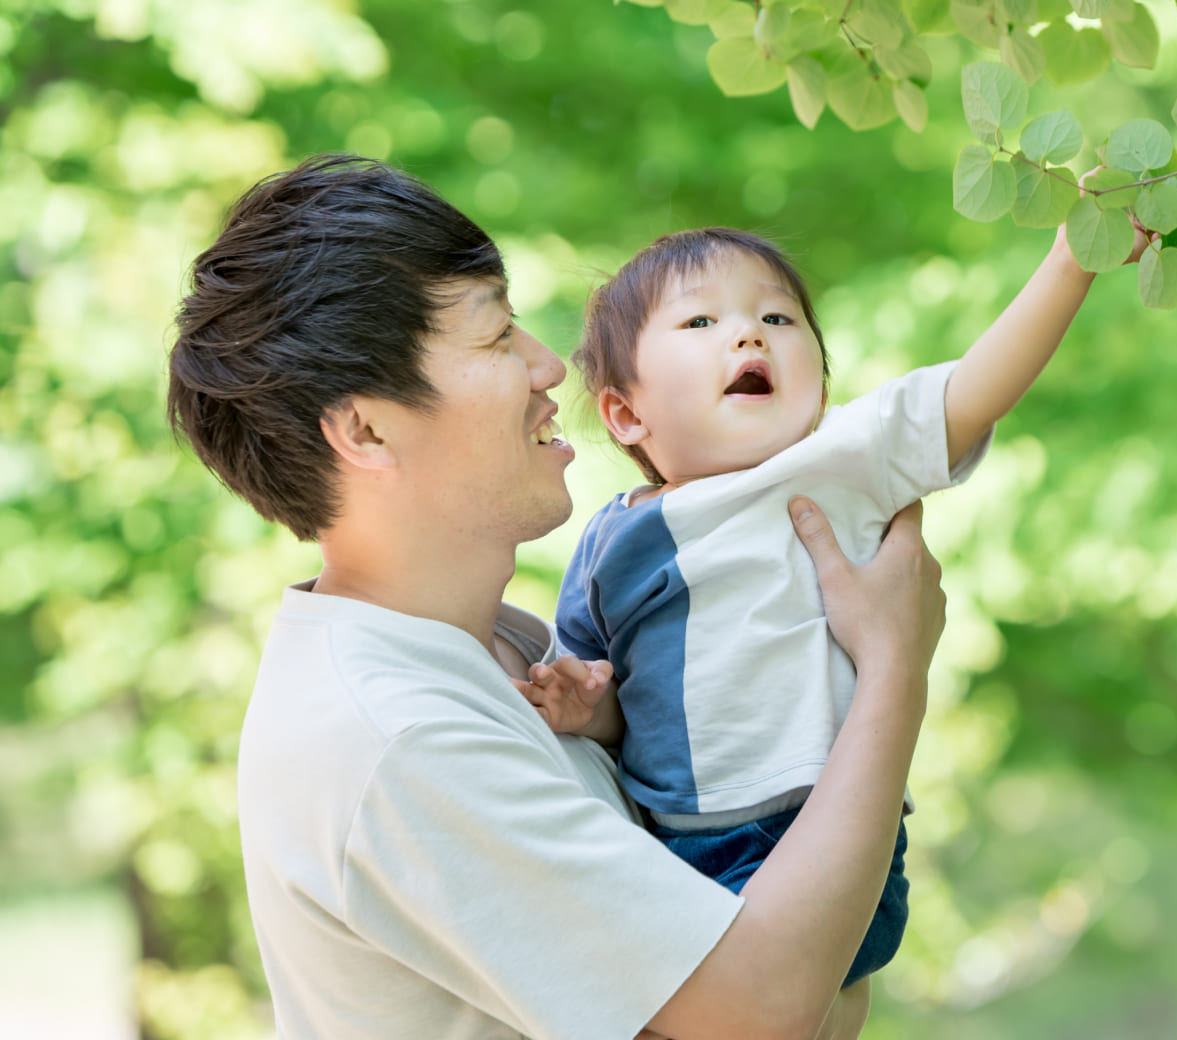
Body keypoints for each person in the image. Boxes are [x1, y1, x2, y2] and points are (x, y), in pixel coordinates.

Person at [165, 153, 946, 1040]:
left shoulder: (504, 652)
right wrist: (891, 669)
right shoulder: (402, 735)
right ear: (366, 428)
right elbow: (760, 1011)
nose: (548, 369)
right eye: (498, 338)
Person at [525, 219, 1154, 1007]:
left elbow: (975, 387)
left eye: (779, 318)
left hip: (833, 832)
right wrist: (587, 705)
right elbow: (616, 692)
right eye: (701, 322)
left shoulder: (839, 462)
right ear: (625, 416)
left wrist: (1072, 262)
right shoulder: (613, 539)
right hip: (680, 850)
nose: (750, 332)